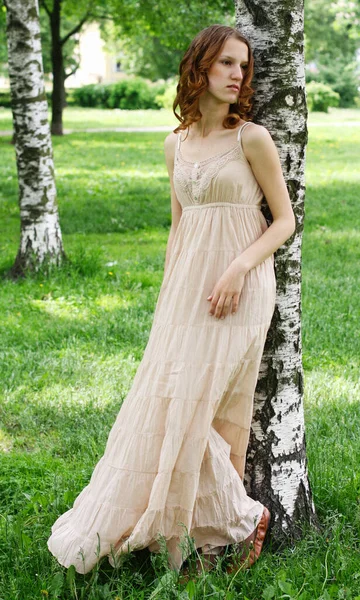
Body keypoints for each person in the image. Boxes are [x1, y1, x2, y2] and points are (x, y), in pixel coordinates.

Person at [47, 24, 295, 578]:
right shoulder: (175, 144)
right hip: (188, 289)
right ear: (200, 66)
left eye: (243, 66)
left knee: (216, 412)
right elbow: (179, 228)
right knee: (173, 402)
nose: (237, 75)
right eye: (228, 63)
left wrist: (236, 269)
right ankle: (207, 533)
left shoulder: (251, 138)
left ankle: (231, 528)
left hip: (240, 287)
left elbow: (284, 221)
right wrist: (169, 299)